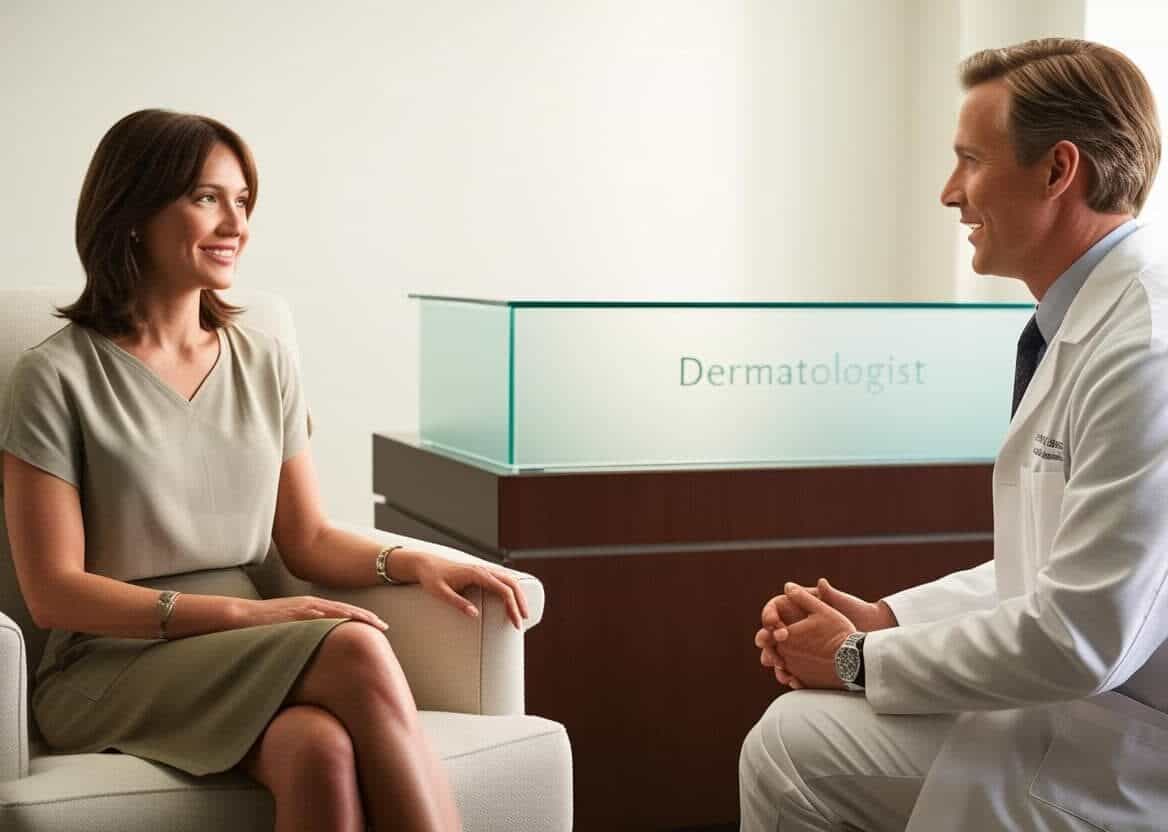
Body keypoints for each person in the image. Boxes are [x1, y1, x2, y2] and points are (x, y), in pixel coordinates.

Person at [0, 109, 531, 832]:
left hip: (243, 646)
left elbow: (306, 538)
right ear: (132, 211)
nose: (235, 224)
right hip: (108, 661)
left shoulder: (263, 360)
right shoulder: (53, 376)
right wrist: (249, 614)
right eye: (206, 198)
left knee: (318, 753)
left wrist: (412, 562)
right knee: (355, 647)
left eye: (242, 201)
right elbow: (54, 594)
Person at [740, 38, 1168, 831]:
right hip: (1085, 712)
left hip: (1128, 754)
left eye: (971, 160)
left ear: (1057, 170)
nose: (949, 194)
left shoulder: (1147, 344)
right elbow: (1055, 566)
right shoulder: (1088, 320)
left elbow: (1084, 635)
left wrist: (853, 659)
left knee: (796, 749)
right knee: (792, 744)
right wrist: (889, 622)